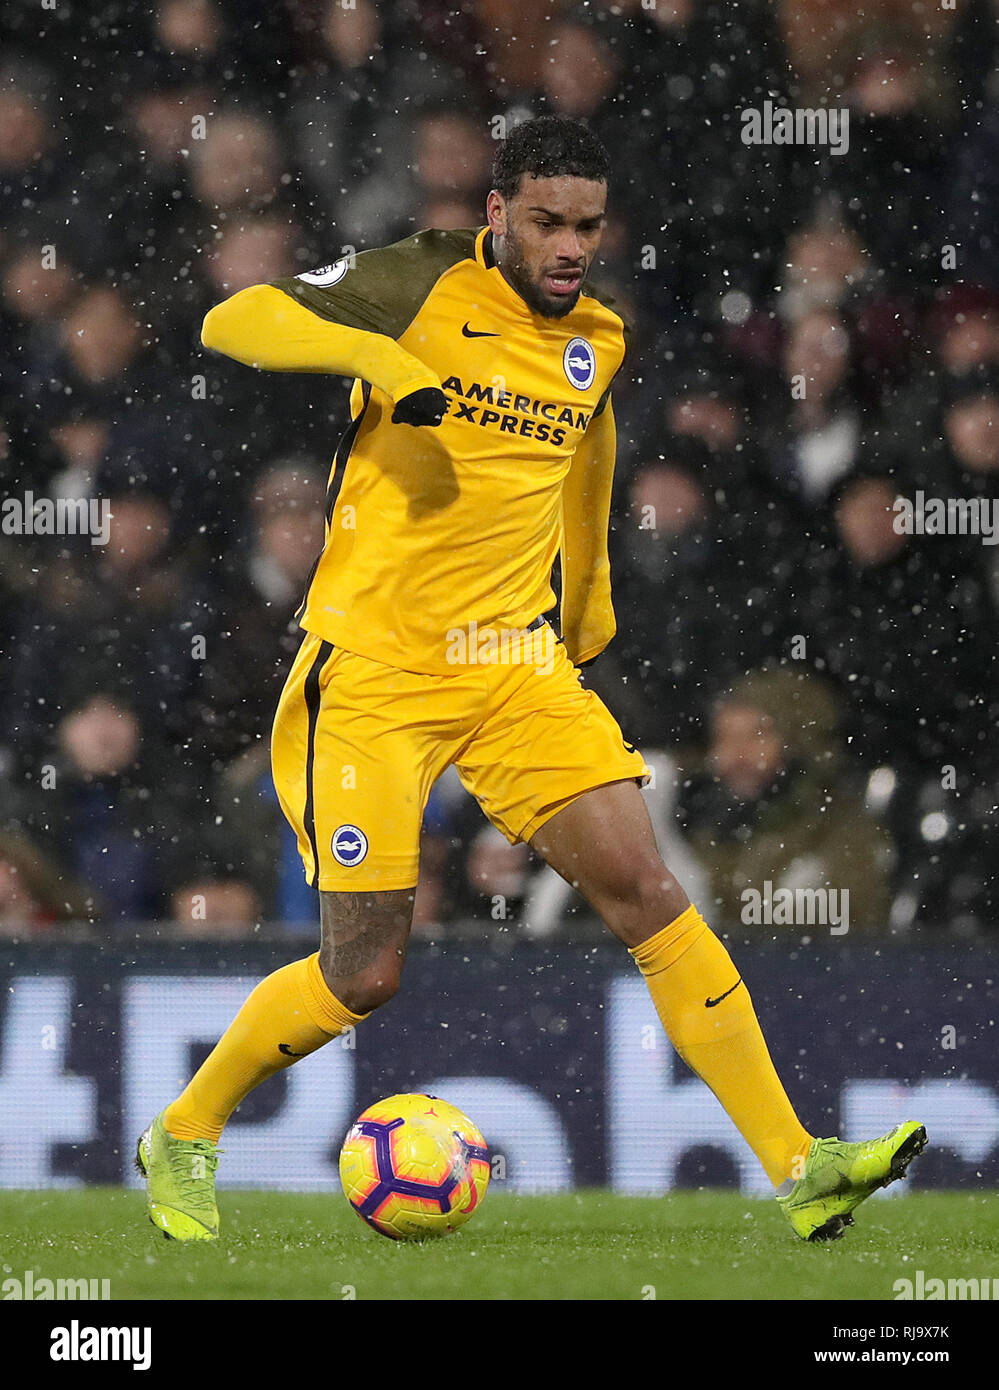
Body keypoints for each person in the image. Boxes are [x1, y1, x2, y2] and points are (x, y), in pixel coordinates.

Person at [137, 115, 924, 1243]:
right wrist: (380, 360)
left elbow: (585, 448)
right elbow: (234, 317)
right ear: (496, 211)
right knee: (362, 974)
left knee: (652, 896)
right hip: (371, 673)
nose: (568, 245)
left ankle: (802, 1165)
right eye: (546, 221)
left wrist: (591, 594)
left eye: (588, 226)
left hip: (512, 664)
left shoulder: (596, 337)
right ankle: (187, 1128)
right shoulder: (414, 277)